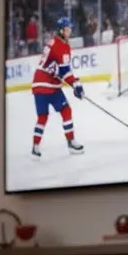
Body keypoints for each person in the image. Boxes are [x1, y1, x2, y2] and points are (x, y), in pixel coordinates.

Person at [30, 17, 85, 158]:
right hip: (49, 86)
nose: (70, 31)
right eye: (67, 29)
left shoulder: (53, 42)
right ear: (61, 31)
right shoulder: (61, 46)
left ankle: (35, 147)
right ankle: (71, 142)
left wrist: (75, 84)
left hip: (38, 84)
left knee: (42, 116)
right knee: (66, 110)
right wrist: (75, 85)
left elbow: (61, 70)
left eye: (70, 28)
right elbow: (64, 71)